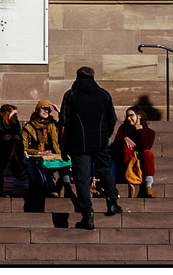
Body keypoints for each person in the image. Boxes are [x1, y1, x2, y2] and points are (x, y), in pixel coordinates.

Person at [58, 65, 122, 229]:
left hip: (78, 143)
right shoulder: (103, 94)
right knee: (105, 169)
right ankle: (112, 201)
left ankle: (87, 214)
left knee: (82, 178)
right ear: (93, 77)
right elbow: (112, 119)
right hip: (99, 140)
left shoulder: (71, 95)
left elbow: (64, 122)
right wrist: (105, 135)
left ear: (77, 77)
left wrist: (63, 146)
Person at [21, 100, 71, 197]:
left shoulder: (53, 124)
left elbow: (66, 126)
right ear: (37, 110)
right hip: (39, 156)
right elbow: (24, 147)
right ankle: (51, 186)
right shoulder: (29, 127)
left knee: (65, 163)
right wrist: (40, 152)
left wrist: (60, 113)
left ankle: (67, 187)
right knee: (45, 164)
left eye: (48, 110)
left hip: (55, 154)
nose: (46, 111)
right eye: (44, 109)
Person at [113, 106, 157, 197]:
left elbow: (146, 146)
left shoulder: (149, 132)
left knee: (148, 153)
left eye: (131, 115)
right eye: (127, 116)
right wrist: (124, 139)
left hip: (140, 161)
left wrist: (140, 130)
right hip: (125, 161)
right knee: (126, 149)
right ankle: (125, 176)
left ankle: (148, 186)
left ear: (139, 116)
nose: (129, 118)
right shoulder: (123, 129)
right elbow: (114, 145)